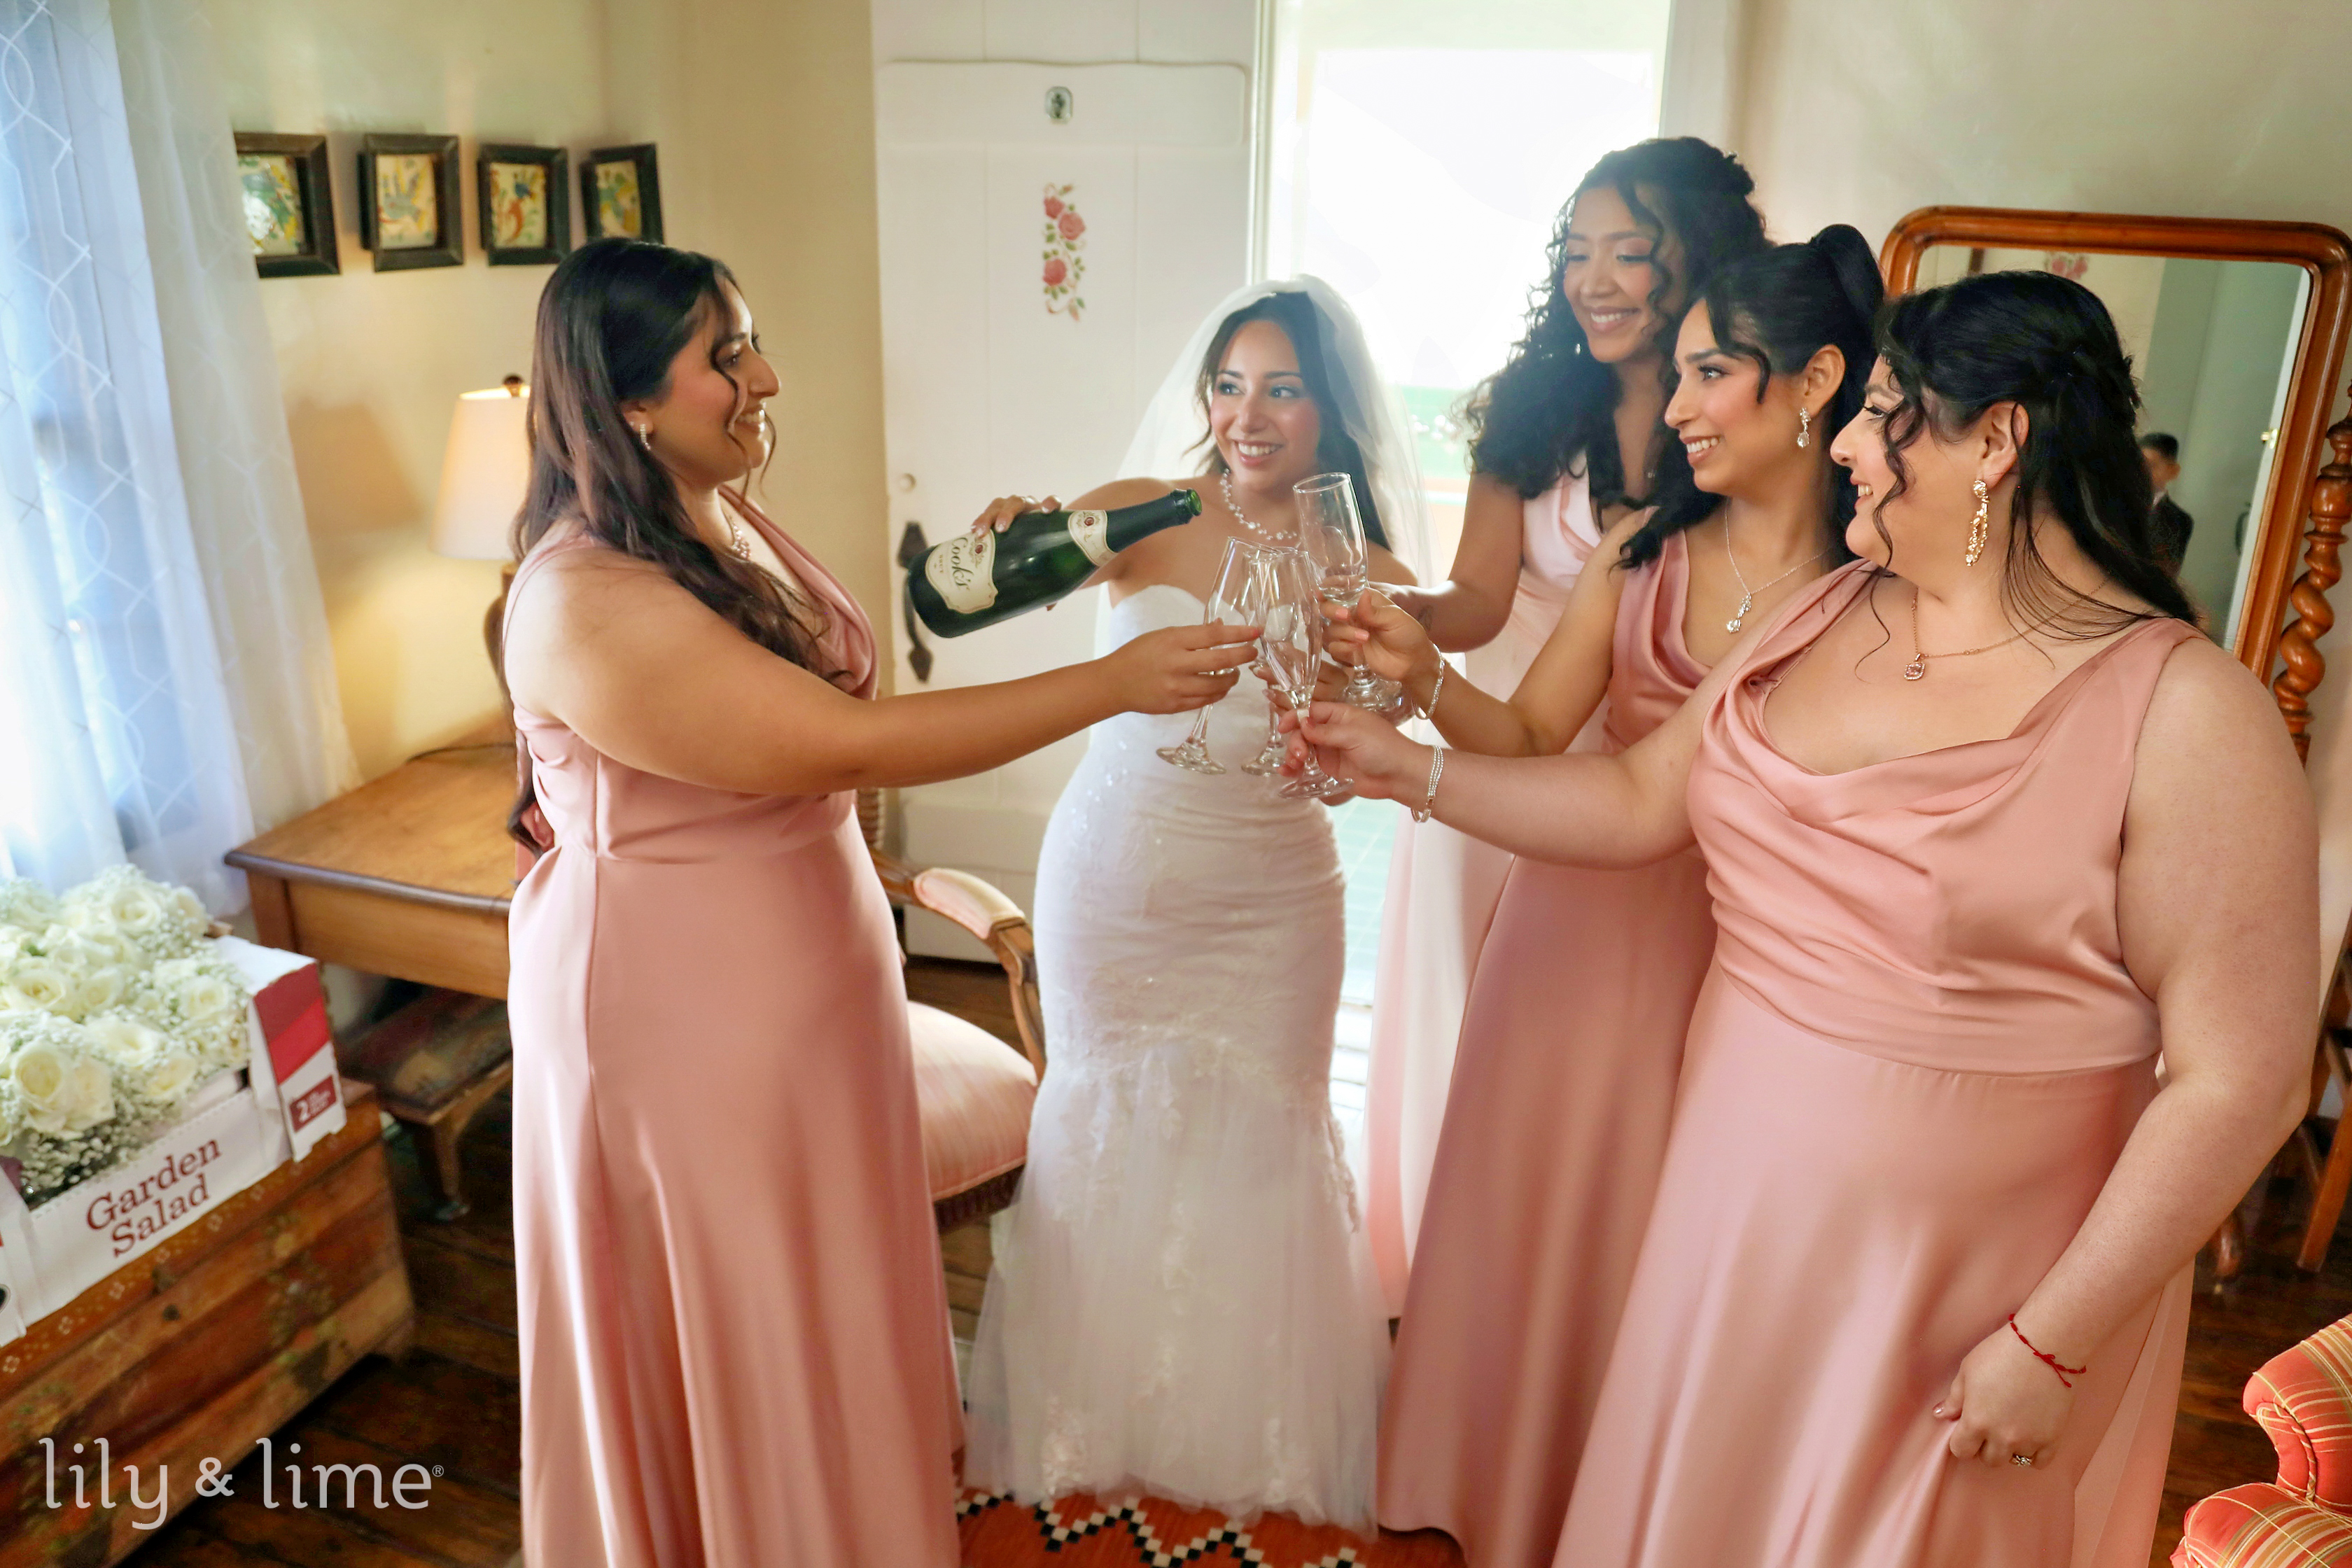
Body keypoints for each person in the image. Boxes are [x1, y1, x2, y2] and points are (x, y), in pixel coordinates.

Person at [1299, 270, 2314, 1567]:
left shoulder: (2186, 711)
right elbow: (1636, 799)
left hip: (1953, 1289)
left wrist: (2053, 1338)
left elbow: (2242, 1079)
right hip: (1726, 1216)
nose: (1843, 447)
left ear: (1999, 440)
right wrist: (1407, 771)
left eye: (1884, 413)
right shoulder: (1826, 609)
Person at [496, 238, 1259, 1567]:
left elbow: (862, 660)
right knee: (744, 1314)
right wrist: (1111, 686)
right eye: (727, 356)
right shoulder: (581, 600)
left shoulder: (712, 511)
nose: (765, 378)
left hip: (810, 980)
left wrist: (1009, 564)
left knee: (824, 1294)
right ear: (628, 399)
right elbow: (844, 743)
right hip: (685, 1018)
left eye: (751, 343)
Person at [1330, 228, 1881, 1565]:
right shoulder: (1641, 550)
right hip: (1564, 927)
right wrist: (1418, 673)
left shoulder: (1873, 597)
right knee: (1517, 1211)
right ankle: (1464, 1483)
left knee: (1650, 1239)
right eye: (1677, 374)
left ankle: (1602, 1513)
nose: (1676, 406)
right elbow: (1528, 736)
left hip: (1732, 961)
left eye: (1710, 373)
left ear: (1815, 384)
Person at [961, 280, 1424, 1530]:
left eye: (1282, 389)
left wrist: (1343, 731)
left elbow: (1364, 754)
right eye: (1229, 385)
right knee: (1104, 1111)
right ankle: (1093, 1410)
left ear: (1329, 409)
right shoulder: (1137, 513)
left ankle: (1251, 1429)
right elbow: (991, 594)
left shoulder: (1367, 571)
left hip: (1275, 897)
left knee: (1267, 1130)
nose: (1247, 415)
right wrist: (1002, 538)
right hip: (1118, 878)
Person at [1359, 138, 1768, 1312]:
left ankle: (1597, 1299)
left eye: (1629, 251)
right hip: (1506, 737)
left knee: (1622, 1059)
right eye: (1577, 252)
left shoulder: (1743, 421)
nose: (1595, 279)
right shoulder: (1532, 410)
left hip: (1657, 766)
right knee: (1477, 1023)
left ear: (1699, 258)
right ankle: (1460, 1283)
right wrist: (1391, 612)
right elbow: (1477, 601)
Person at [2141, 430, 2194, 570]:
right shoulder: (2117, 503)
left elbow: (2167, 572)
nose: (2142, 472)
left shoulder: (2179, 520)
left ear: (2173, 471)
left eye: (2151, 466)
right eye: (2138, 465)